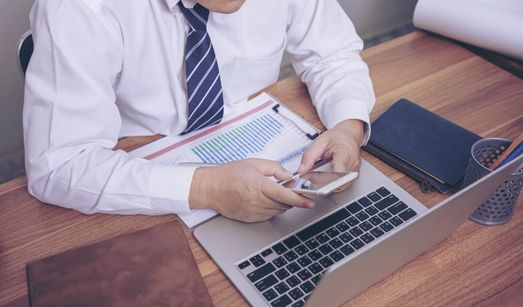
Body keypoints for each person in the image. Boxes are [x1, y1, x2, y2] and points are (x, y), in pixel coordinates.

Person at [23, 0, 375, 222]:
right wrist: (207, 187)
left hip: (262, 149)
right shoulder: (78, 7)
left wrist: (347, 126)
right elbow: (60, 164)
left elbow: (332, 54)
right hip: (138, 182)